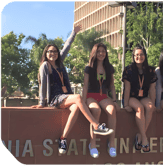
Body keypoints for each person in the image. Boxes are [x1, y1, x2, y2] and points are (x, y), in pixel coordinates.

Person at [31, 25, 113, 155]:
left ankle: (63, 138)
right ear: (46, 54)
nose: (53, 53)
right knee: (78, 98)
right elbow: (43, 85)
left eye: (55, 51)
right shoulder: (45, 66)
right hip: (55, 98)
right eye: (50, 52)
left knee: (75, 108)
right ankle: (96, 125)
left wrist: (73, 33)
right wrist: (42, 103)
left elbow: (67, 47)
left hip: (65, 97)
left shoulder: (60, 63)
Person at [82, 43, 119, 158]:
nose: (101, 53)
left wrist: (114, 100)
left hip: (103, 96)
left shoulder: (109, 68)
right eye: (98, 51)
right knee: (96, 110)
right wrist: (83, 102)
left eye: (103, 51)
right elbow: (85, 85)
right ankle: (92, 145)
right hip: (90, 95)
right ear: (94, 53)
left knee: (112, 110)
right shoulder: (89, 68)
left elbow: (112, 86)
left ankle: (111, 143)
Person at [122, 46, 157, 153]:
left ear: (145, 56)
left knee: (150, 107)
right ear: (133, 56)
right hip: (131, 97)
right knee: (140, 109)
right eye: (136, 55)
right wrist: (126, 104)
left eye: (141, 54)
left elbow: (152, 89)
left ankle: (140, 137)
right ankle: (144, 139)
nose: (139, 57)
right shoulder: (128, 69)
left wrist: (154, 102)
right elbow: (127, 88)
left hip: (144, 96)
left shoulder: (151, 70)